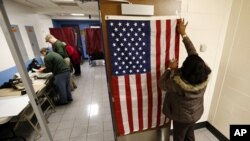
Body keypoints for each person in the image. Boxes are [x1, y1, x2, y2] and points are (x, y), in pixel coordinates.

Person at [159, 19, 211, 141]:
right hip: (196, 114)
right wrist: (183, 33)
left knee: (179, 137)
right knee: (189, 134)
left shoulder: (177, 84)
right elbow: (193, 53)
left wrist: (169, 69)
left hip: (182, 118)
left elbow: (162, 84)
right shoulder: (203, 74)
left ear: (185, 71)